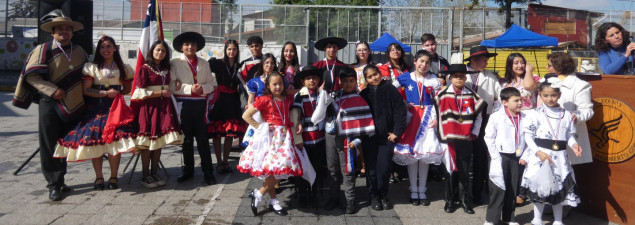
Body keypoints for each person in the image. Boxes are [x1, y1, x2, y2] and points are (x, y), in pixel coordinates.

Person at [13, 16, 88, 201]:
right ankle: (53, 185)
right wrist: (52, 90)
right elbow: (31, 77)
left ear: (72, 32)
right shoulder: (43, 50)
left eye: (67, 28)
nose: (64, 31)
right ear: (52, 32)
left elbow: (88, 74)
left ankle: (61, 180)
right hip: (50, 104)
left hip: (72, 103)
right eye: (59, 29)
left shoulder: (79, 51)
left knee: (65, 143)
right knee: (48, 145)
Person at [53, 35, 136, 190]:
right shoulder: (92, 67)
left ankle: (113, 177)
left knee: (114, 143)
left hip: (115, 109)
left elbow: (127, 89)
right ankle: (99, 177)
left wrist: (117, 94)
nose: (105, 50)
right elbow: (86, 90)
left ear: (115, 48)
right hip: (96, 108)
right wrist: (105, 94)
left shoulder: (124, 68)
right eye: (102, 47)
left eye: (109, 46)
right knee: (95, 142)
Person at [239, 72, 305, 216]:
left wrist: (298, 121)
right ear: (268, 86)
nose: (278, 86)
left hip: (285, 139)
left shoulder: (287, 98)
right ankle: (272, 200)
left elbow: (294, 108)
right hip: (271, 138)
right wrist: (261, 126)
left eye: (280, 83)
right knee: (275, 170)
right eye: (274, 84)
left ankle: (260, 194)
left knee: (282, 168)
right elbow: (246, 115)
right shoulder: (264, 99)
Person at [311, 67, 376, 214]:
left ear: (356, 81)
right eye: (345, 81)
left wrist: (358, 141)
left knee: (347, 170)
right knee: (332, 169)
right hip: (331, 137)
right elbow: (322, 112)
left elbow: (365, 125)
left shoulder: (359, 100)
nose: (348, 84)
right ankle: (333, 197)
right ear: (340, 82)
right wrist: (323, 95)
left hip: (348, 140)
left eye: (351, 81)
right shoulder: (334, 96)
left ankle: (350, 200)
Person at [520, 76, 583, 225]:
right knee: (541, 188)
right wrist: (538, 153)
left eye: (553, 95)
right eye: (546, 95)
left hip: (560, 158)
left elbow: (568, 135)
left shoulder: (566, 114)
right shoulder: (535, 114)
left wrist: (574, 145)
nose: (550, 99)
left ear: (559, 95)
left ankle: (558, 220)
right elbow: (528, 137)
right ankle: (537, 218)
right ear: (540, 95)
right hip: (541, 156)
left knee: (558, 188)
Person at [391, 50, 443, 206]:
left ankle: (422, 190)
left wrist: (437, 118)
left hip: (428, 118)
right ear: (414, 61)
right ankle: (413, 190)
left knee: (425, 155)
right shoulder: (406, 77)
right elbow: (391, 91)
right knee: (412, 157)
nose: (424, 65)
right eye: (421, 61)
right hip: (411, 117)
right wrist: (402, 104)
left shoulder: (433, 79)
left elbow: (440, 101)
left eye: (427, 62)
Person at [131, 40, 184, 188]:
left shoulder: (166, 69)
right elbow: (139, 92)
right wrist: (159, 92)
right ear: (152, 51)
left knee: (158, 142)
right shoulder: (145, 69)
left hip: (164, 107)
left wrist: (176, 84)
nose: (160, 53)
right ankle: (145, 175)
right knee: (148, 142)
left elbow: (170, 85)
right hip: (149, 108)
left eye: (163, 51)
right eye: (158, 50)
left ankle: (154, 173)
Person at [435, 64, 485, 214]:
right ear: (450, 78)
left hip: (466, 139)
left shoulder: (471, 95)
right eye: (456, 76)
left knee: (464, 170)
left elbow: (479, 116)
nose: (459, 79)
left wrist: (474, 133)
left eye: (462, 76)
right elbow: (435, 114)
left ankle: (464, 200)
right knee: (450, 170)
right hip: (449, 139)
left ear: (465, 78)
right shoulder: (442, 95)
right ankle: (450, 199)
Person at [170, 32, 217, 185]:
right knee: (186, 140)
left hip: (200, 106)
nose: (190, 47)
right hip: (183, 105)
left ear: (197, 47)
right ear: (181, 47)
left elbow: (211, 84)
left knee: (203, 140)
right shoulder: (175, 62)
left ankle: (208, 172)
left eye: (192, 44)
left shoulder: (204, 63)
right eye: (186, 44)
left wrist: (202, 88)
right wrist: (189, 88)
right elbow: (171, 85)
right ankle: (188, 170)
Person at [359, 64, 407, 211]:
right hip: (369, 138)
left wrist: (396, 132)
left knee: (385, 167)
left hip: (386, 138)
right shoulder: (363, 94)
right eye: (370, 76)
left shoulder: (390, 89)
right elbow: (359, 116)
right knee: (371, 168)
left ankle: (383, 194)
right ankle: (373, 194)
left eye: (376, 74)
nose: (374, 78)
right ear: (366, 80)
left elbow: (400, 111)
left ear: (380, 73)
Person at [465, 46, 503, 205]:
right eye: (483, 58)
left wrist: (494, 117)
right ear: (473, 60)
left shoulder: (491, 77)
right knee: (463, 157)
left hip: (485, 120)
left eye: (487, 58)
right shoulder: (461, 74)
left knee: (481, 157)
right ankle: (461, 194)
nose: (486, 61)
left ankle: (477, 193)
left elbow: (500, 99)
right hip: (463, 120)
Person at [483, 87, 526, 225]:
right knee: (497, 188)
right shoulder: (496, 117)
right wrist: (495, 156)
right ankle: (491, 219)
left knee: (513, 187)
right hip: (500, 156)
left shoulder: (525, 117)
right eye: (516, 100)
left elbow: (528, 138)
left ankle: (509, 217)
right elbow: (489, 137)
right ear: (505, 102)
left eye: (520, 100)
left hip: (517, 156)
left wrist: (525, 154)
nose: (520, 103)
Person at [545, 52, 594, 164]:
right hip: (549, 136)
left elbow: (587, 110)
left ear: (559, 67)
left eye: (549, 65)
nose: (546, 68)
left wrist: (575, 116)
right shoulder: (546, 82)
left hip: (570, 137)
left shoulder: (580, 85)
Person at [208, 40, 247, 174]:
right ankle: (218, 162)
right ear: (225, 50)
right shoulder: (217, 63)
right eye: (229, 49)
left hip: (233, 100)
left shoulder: (239, 66)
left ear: (237, 51)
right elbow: (202, 69)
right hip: (220, 99)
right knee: (217, 133)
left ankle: (226, 161)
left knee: (230, 133)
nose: (231, 52)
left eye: (234, 49)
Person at [291, 65, 325, 208]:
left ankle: (313, 193)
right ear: (303, 81)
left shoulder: (322, 94)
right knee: (303, 168)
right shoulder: (299, 96)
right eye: (308, 78)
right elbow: (295, 118)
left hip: (320, 139)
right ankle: (302, 193)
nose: (312, 80)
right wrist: (298, 140)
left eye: (315, 77)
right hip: (304, 140)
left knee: (317, 167)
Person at [241, 53, 278, 148]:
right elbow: (251, 100)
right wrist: (251, 114)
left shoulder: (278, 79)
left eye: (272, 63)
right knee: (258, 142)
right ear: (262, 64)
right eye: (267, 63)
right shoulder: (255, 81)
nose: (270, 65)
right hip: (258, 113)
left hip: (274, 112)